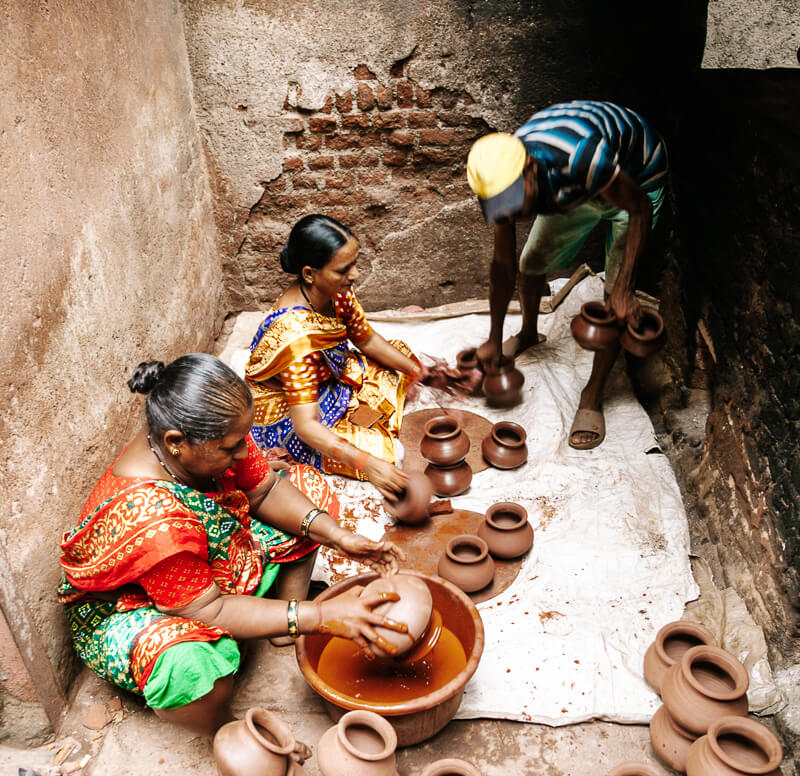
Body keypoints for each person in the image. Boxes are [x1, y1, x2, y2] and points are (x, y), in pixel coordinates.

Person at [58, 354, 407, 736]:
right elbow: (208, 610)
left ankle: (280, 622)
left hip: (204, 565)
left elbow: (266, 489)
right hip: (136, 606)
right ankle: (225, 731)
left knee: (309, 490)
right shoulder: (155, 521)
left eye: (243, 439)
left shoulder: (202, 440)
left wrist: (341, 538)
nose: (244, 453)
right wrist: (320, 616)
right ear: (176, 443)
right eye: (231, 447)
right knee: (190, 669)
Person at [466, 100, 668, 450]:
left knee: (613, 301)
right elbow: (503, 266)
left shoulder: (581, 160)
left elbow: (639, 209)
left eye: (515, 200)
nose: (511, 211)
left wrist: (624, 288)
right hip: (575, 188)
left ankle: (593, 395)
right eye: (503, 205)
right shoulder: (499, 178)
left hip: (636, 180)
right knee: (530, 266)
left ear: (530, 170)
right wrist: (494, 339)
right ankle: (529, 333)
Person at [245, 214, 422, 499]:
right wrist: (369, 464)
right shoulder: (296, 339)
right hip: (291, 414)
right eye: (343, 269)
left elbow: (366, 339)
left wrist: (417, 371)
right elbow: (306, 425)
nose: (355, 274)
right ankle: (359, 430)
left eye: (354, 263)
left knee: (400, 356)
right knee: (389, 457)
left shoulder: (335, 292)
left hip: (330, 381)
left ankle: (359, 416)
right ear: (308, 274)